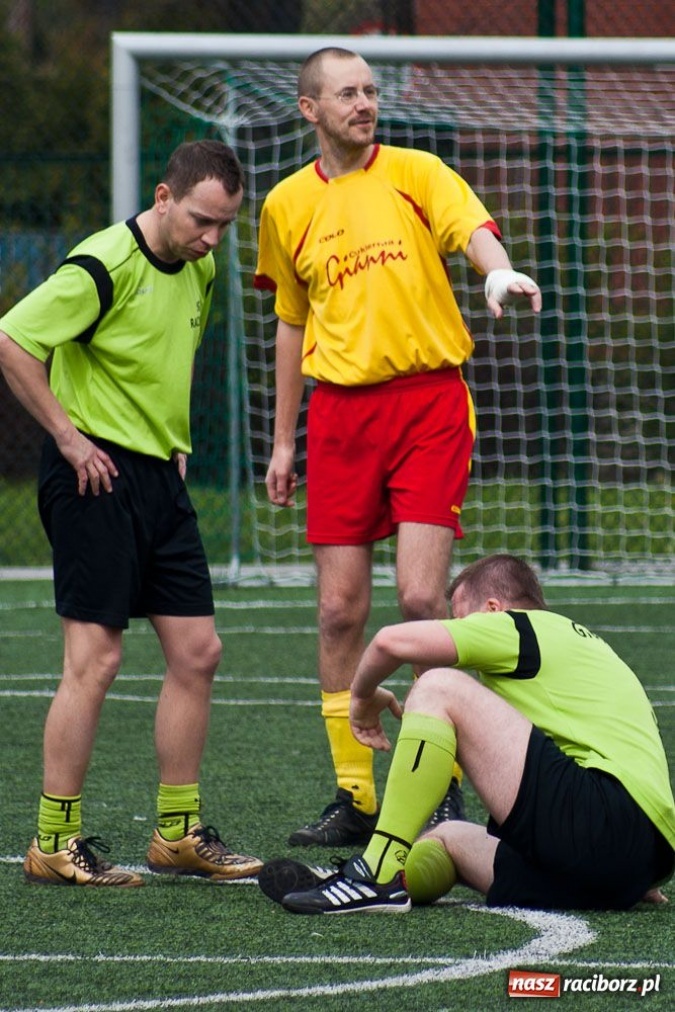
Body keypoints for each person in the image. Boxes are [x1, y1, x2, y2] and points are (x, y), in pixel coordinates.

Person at [253, 47, 542, 847]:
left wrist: (495, 273)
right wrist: (282, 442)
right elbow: (289, 321)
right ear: (309, 109)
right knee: (338, 610)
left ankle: (441, 784)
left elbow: (474, 231)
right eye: (347, 92)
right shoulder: (283, 205)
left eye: (371, 91)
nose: (364, 103)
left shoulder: (417, 172)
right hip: (338, 419)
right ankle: (357, 797)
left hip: (428, 404)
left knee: (421, 603)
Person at [0, 140, 263, 887]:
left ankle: (177, 834)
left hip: (157, 477)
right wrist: (66, 436)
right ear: (162, 197)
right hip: (93, 476)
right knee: (97, 660)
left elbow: (163, 355)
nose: (212, 238)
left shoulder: (203, 266)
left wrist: (171, 441)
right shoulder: (100, 264)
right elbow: (13, 339)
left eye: (224, 225)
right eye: (202, 220)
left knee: (198, 653)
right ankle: (54, 841)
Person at [257, 554, 675, 914]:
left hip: (596, 823)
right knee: (448, 838)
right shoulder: (589, 650)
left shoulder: (517, 626)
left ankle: (376, 874)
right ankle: (350, 876)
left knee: (439, 686)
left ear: (493, 609)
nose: (458, 629)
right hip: (635, 863)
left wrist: (362, 697)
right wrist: (630, 859)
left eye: (460, 619)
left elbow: (389, 642)